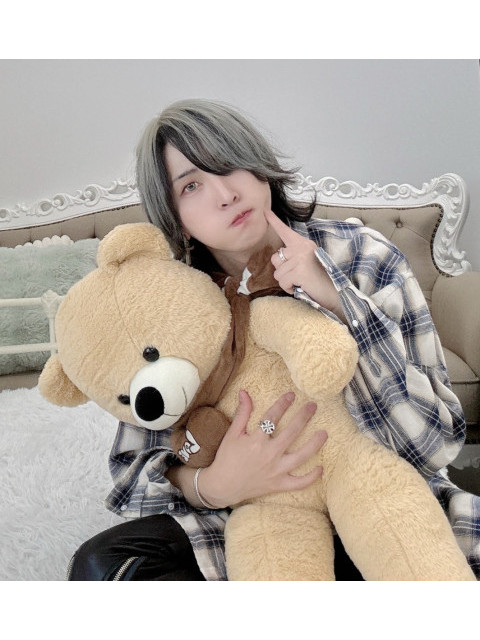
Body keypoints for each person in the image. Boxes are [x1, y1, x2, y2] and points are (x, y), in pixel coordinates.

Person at [68, 98, 479, 581]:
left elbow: (434, 443)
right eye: (192, 185)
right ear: (175, 217)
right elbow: (133, 470)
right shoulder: (170, 297)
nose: (226, 194)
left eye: (229, 164)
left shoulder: (362, 254)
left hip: (379, 494)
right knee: (100, 565)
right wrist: (211, 485)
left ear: (259, 167)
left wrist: (337, 299)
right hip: (251, 517)